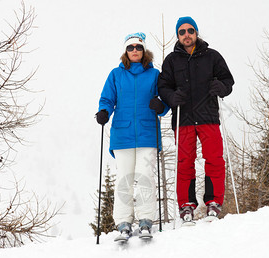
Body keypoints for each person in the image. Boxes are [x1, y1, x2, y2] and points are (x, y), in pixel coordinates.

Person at [158, 17, 234, 223]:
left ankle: (213, 202)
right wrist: (172, 97)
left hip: (208, 116)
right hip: (183, 119)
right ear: (178, 35)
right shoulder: (172, 61)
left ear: (196, 32)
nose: (186, 35)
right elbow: (163, 86)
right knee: (184, 162)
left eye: (190, 30)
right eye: (182, 32)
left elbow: (228, 80)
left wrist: (222, 87)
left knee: (215, 159)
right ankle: (186, 205)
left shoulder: (212, 56)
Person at [96, 32, 169, 239]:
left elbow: (165, 102)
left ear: (143, 50)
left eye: (138, 47)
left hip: (147, 132)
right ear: (125, 51)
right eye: (130, 47)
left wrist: (160, 106)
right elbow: (107, 99)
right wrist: (103, 112)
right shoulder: (116, 74)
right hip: (122, 133)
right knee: (124, 179)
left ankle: (146, 221)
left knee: (145, 177)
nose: (134, 50)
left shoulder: (154, 74)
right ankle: (123, 223)